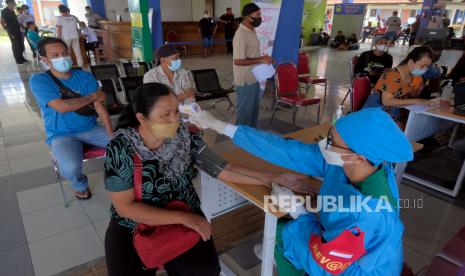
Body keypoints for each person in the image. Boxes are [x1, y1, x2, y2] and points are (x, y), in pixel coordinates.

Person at [104, 82, 306, 276]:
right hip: (136, 224)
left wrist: (271, 179)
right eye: (165, 115)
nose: (175, 119)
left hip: (183, 211)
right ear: (142, 118)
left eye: (176, 111)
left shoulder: (184, 135)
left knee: (206, 271)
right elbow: (125, 208)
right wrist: (183, 218)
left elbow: (223, 168)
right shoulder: (121, 147)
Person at [189, 107, 414, 276]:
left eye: (333, 141)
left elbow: (327, 265)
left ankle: (285, 257)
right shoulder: (351, 164)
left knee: (286, 232)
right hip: (336, 240)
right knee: (280, 229)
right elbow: (286, 151)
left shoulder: (370, 212)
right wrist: (222, 126)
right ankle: (282, 254)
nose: (325, 144)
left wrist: (299, 212)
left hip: (353, 269)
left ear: (358, 156)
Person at [29, 37, 112, 200]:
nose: (62, 58)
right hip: (61, 134)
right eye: (56, 55)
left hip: (90, 128)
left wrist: (111, 134)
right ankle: (80, 184)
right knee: (70, 168)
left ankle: (125, 179)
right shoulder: (39, 80)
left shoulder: (85, 76)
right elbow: (62, 107)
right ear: (45, 59)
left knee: (126, 147)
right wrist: (93, 96)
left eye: (65, 53)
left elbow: (100, 109)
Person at [233, 3, 273, 127]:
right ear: (247, 17)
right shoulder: (241, 34)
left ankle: (251, 141)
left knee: (253, 114)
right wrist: (261, 59)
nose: (260, 17)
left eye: (260, 14)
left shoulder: (252, 30)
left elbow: (252, 55)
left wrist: (265, 60)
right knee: (244, 116)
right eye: (257, 15)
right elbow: (238, 61)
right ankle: (241, 143)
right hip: (245, 81)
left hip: (254, 78)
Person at [374, 46, 435, 125]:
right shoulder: (392, 75)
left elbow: (412, 93)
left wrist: (416, 88)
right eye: (422, 66)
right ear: (410, 62)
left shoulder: (411, 75)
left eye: (427, 67)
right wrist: (418, 101)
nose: (424, 70)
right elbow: (386, 101)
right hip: (377, 112)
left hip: (393, 111)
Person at [1, 0, 28, 64]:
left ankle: (22, 58)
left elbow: (16, 21)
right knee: (16, 46)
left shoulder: (12, 11)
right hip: (11, 31)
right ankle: (18, 60)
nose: (14, 4)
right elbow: (2, 22)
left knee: (20, 44)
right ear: (9, 3)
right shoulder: (4, 11)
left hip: (17, 30)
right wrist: (7, 29)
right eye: (13, 3)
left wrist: (22, 26)